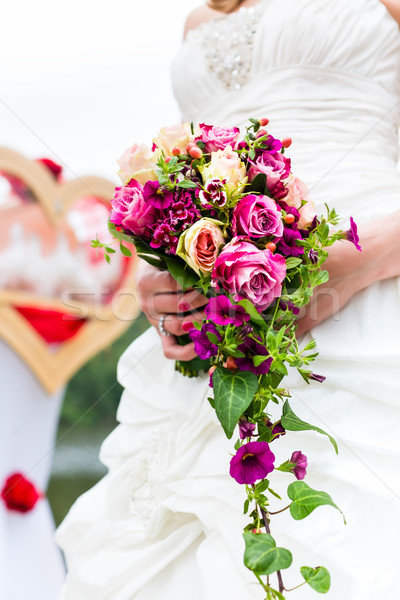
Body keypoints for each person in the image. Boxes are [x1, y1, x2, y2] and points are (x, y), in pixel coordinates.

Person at [56, 0, 400, 598]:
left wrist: (356, 262)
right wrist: (163, 269)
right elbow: (197, 172)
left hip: (374, 281)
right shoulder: (199, 23)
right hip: (223, 326)